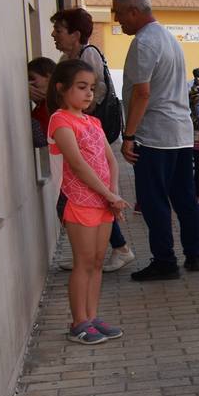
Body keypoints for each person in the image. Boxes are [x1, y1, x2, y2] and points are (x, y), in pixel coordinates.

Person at [111, 0, 199, 281]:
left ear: (134, 11)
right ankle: (194, 254)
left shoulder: (144, 42)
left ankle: (165, 261)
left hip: (155, 136)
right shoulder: (167, 37)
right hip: (178, 133)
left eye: (119, 12)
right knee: (185, 198)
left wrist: (129, 135)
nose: (116, 19)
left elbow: (142, 93)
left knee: (154, 201)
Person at [45, 59, 130, 344]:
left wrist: (113, 193)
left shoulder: (92, 121)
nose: (88, 94)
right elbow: (78, 165)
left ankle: (92, 317)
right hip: (79, 202)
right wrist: (109, 195)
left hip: (103, 203)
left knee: (96, 261)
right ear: (61, 88)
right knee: (83, 262)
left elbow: (110, 160)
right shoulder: (60, 120)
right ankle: (78, 322)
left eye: (92, 88)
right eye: (81, 87)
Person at [48, 7, 136, 273]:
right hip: (85, 138)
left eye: (59, 30)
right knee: (90, 199)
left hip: (90, 139)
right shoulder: (68, 58)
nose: (54, 34)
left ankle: (109, 252)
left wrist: (82, 121)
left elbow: (95, 95)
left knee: (86, 199)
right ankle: (94, 255)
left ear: (75, 34)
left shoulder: (87, 57)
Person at [28, 57, 57, 149]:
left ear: (48, 78)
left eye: (32, 78)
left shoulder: (57, 98)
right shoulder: (44, 102)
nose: (30, 83)